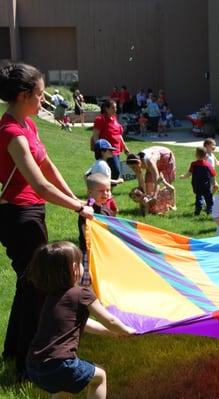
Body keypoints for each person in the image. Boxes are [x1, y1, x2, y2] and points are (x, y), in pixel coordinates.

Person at [0, 61, 94, 376]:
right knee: (36, 285)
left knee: (29, 284)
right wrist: (77, 208)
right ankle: (28, 361)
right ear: (24, 95)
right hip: (18, 216)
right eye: (40, 95)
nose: (44, 100)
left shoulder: (29, 125)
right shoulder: (11, 132)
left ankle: (15, 353)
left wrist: (77, 200)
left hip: (31, 212)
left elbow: (48, 166)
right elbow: (39, 184)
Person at [25, 241, 135, 399]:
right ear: (75, 269)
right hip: (60, 364)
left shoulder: (52, 296)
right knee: (100, 376)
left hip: (34, 366)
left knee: (61, 387)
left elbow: (83, 324)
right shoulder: (82, 293)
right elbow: (109, 320)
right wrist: (126, 330)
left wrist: (111, 334)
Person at [78, 174, 115, 286]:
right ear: (90, 192)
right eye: (101, 191)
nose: (105, 193)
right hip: (89, 251)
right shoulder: (88, 211)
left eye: (108, 190)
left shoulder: (107, 210)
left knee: (102, 276)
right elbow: (86, 232)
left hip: (103, 249)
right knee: (87, 278)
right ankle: (85, 296)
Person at [92, 100, 130, 182]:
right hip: (107, 151)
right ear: (106, 108)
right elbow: (95, 137)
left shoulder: (114, 118)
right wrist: (101, 150)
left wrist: (125, 147)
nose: (115, 109)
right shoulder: (100, 119)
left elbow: (118, 134)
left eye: (115, 107)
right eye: (113, 108)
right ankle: (105, 190)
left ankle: (106, 191)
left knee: (114, 172)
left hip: (116, 149)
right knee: (115, 172)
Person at [180, 147, 217, 216]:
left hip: (196, 185)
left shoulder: (193, 164)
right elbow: (213, 174)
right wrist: (214, 183)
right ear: (206, 155)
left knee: (198, 197)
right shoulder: (208, 165)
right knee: (208, 198)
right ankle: (210, 210)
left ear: (196, 155)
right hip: (206, 186)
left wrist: (183, 177)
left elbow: (189, 173)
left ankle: (198, 210)